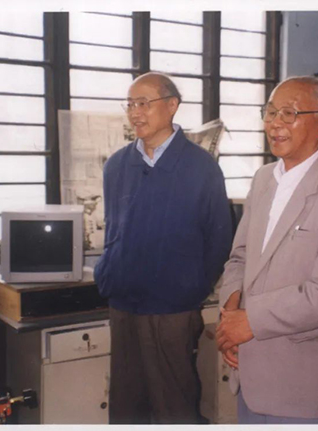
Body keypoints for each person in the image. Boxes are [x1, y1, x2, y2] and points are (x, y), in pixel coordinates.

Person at [216, 75, 318, 424]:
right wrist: (231, 315)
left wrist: (249, 321)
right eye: (270, 112)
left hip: (306, 385)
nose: (275, 123)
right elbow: (239, 257)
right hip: (249, 372)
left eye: (289, 113)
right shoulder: (263, 179)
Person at [94, 72, 233, 424]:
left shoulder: (201, 167)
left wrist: (191, 287)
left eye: (144, 103)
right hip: (123, 301)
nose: (135, 112)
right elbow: (113, 229)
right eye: (130, 104)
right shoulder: (117, 165)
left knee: (174, 404)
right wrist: (109, 271)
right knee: (126, 405)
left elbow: (219, 240)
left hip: (173, 307)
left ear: (172, 106)